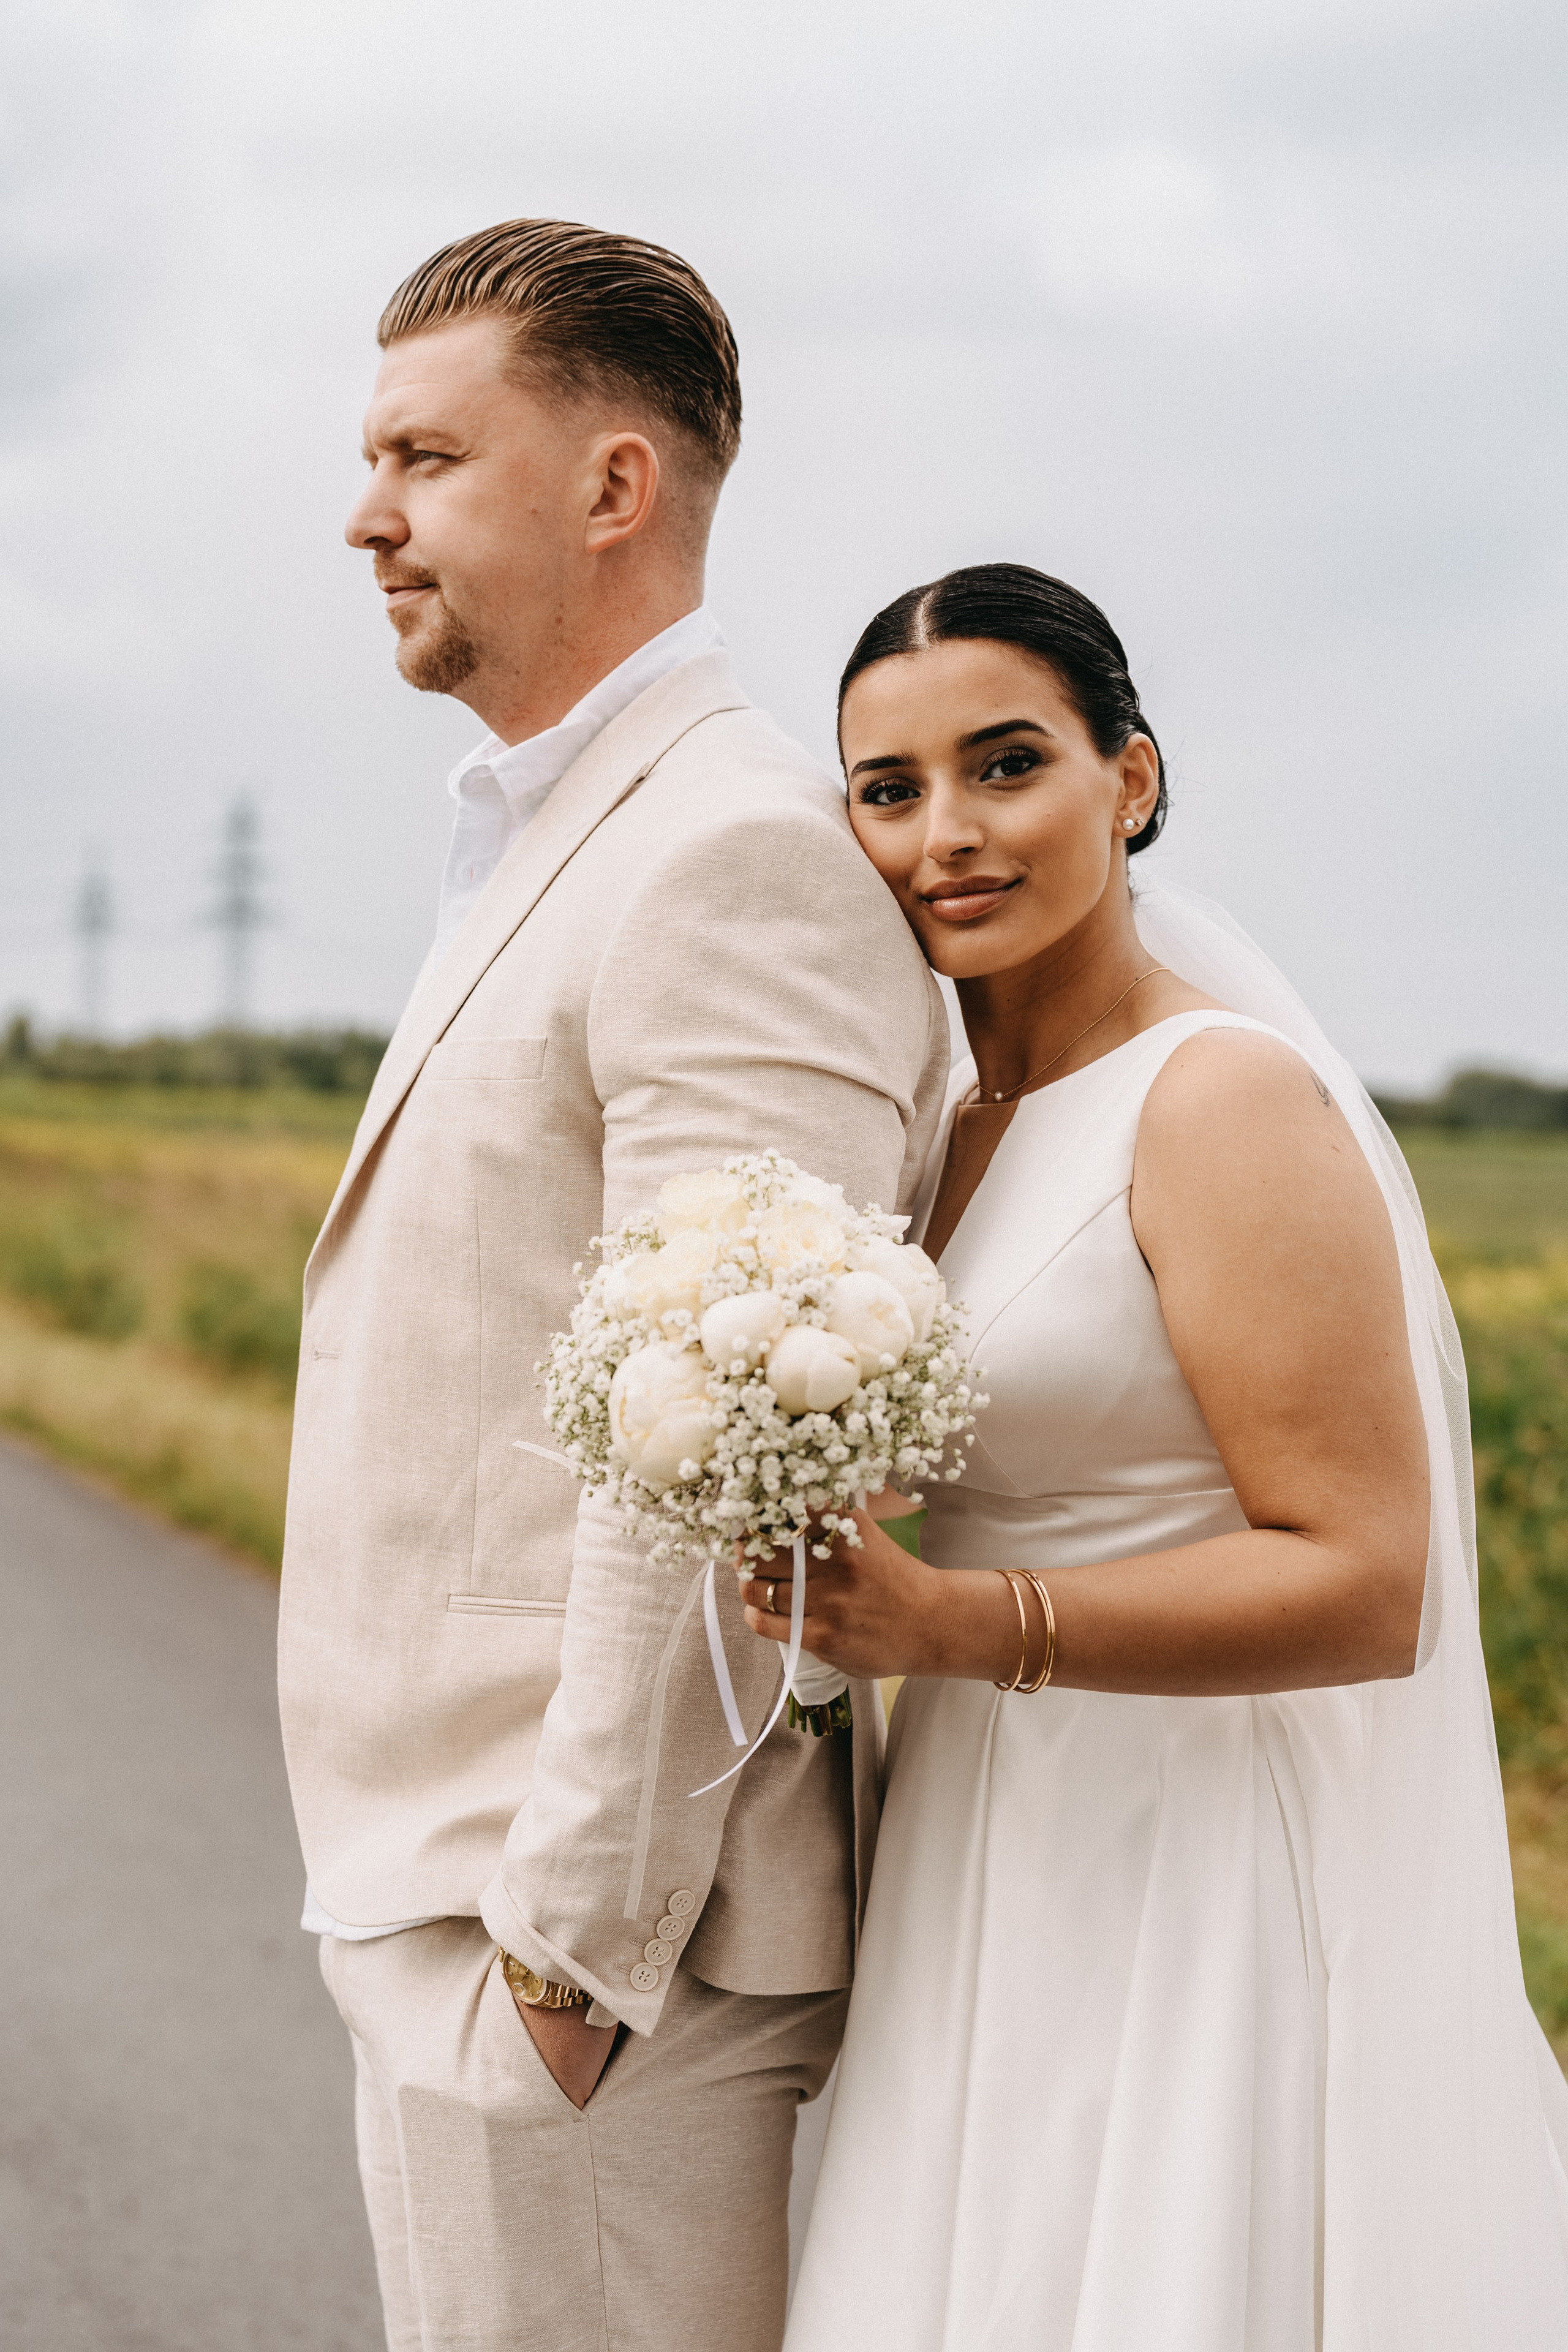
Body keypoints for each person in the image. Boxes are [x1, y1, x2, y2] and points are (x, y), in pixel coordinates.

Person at [746, 563, 1568, 2348]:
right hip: (973, 1831)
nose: (944, 833)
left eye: (1006, 765)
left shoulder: (1221, 1101)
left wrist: (958, 1626)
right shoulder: (935, 1125)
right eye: (888, 791)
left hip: (1182, 1862)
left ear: (1129, 780)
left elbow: (1368, 1583)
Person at [276, 219, 948, 2352]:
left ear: (611, 487)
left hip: (579, 1949)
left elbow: (734, 1439)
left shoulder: (723, 853)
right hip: (459, 1901)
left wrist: (571, 1957)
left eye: (423, 455)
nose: (364, 514)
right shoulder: (565, 829)